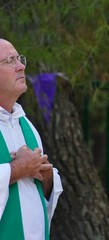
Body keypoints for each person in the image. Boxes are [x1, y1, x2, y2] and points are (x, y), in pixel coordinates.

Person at [0, 38, 63, 239]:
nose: (21, 67)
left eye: (19, 59)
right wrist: (17, 169)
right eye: (9, 61)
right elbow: (20, 170)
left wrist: (46, 176)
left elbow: (40, 197)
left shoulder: (25, 123)